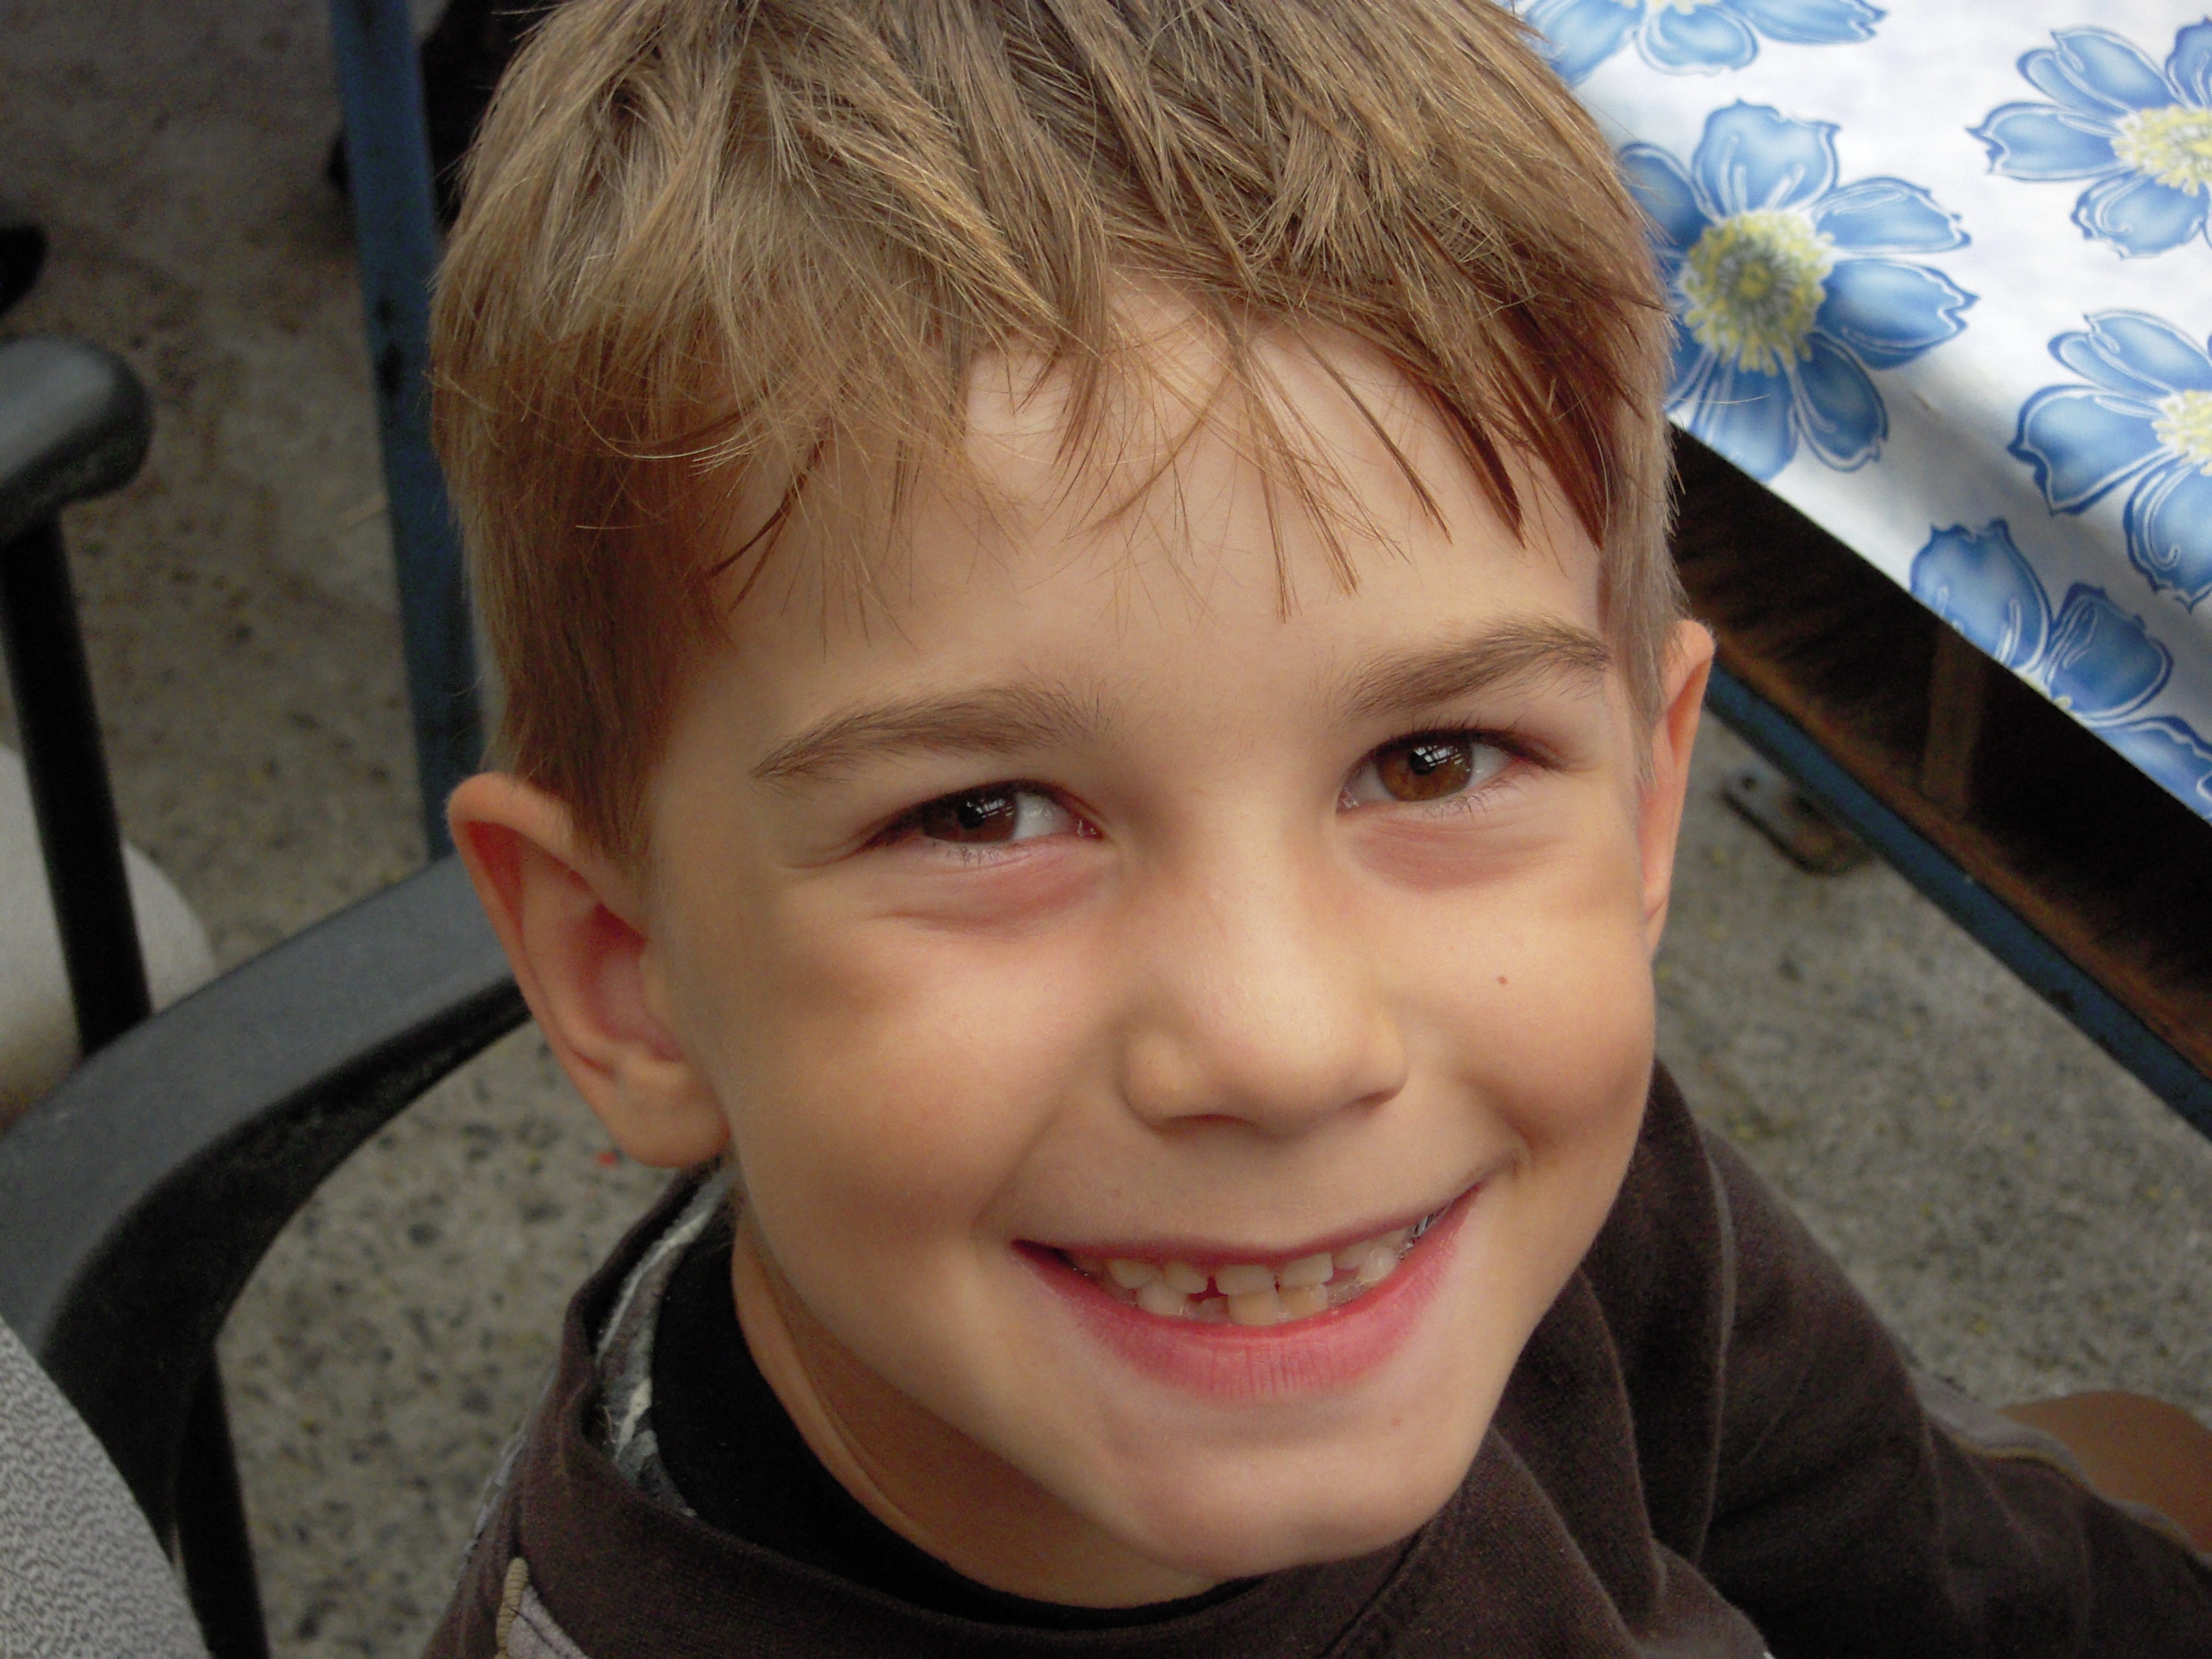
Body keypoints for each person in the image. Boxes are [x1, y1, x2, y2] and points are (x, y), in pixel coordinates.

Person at [423, 1, 2212, 1652]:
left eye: (1431, 763)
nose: (1285, 1047)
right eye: (981, 813)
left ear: (1645, 804)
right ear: (627, 970)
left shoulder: (1533, 1185)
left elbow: (1929, 1554)